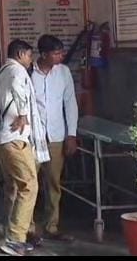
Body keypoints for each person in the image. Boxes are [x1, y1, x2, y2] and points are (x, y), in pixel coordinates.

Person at [0, 40, 49, 256]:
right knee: (29, 185)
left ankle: (20, 232)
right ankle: (15, 238)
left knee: (14, 188)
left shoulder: (4, 70)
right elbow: (18, 88)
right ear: (20, 54)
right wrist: (24, 114)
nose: (31, 59)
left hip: (5, 139)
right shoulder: (16, 70)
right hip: (14, 138)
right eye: (29, 55)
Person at [31, 35, 80, 242]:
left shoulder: (63, 72)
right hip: (33, 137)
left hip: (56, 136)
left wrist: (71, 134)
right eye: (56, 53)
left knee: (54, 183)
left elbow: (70, 103)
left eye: (61, 52)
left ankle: (51, 226)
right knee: (29, 184)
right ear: (43, 54)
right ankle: (28, 229)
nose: (60, 56)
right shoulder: (28, 72)